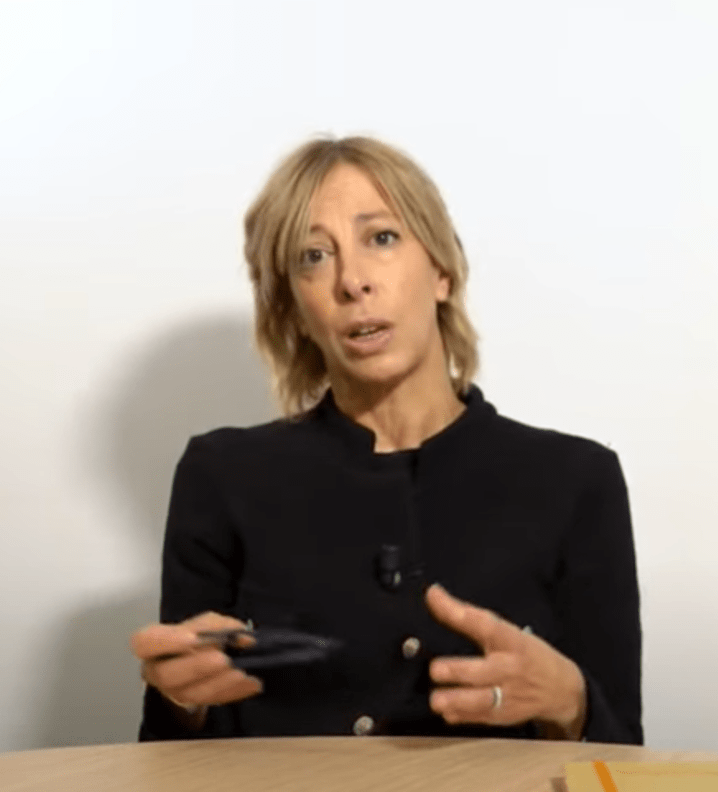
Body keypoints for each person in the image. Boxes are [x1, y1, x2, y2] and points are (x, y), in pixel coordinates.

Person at [130, 136, 642, 743]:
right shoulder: (221, 474)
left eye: (381, 238)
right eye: (313, 256)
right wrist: (180, 700)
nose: (352, 281)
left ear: (442, 271)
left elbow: (622, 755)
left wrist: (570, 701)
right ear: (295, 310)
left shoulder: (576, 480)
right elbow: (171, 757)